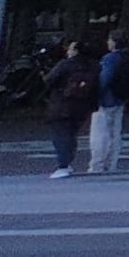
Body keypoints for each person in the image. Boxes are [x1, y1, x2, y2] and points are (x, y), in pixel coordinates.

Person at [44, 42, 101, 176]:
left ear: (75, 51)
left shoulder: (65, 64)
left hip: (62, 104)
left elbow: (49, 79)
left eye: (69, 49)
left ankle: (63, 164)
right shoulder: (94, 66)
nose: (67, 51)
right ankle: (67, 161)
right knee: (71, 134)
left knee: (61, 134)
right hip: (83, 106)